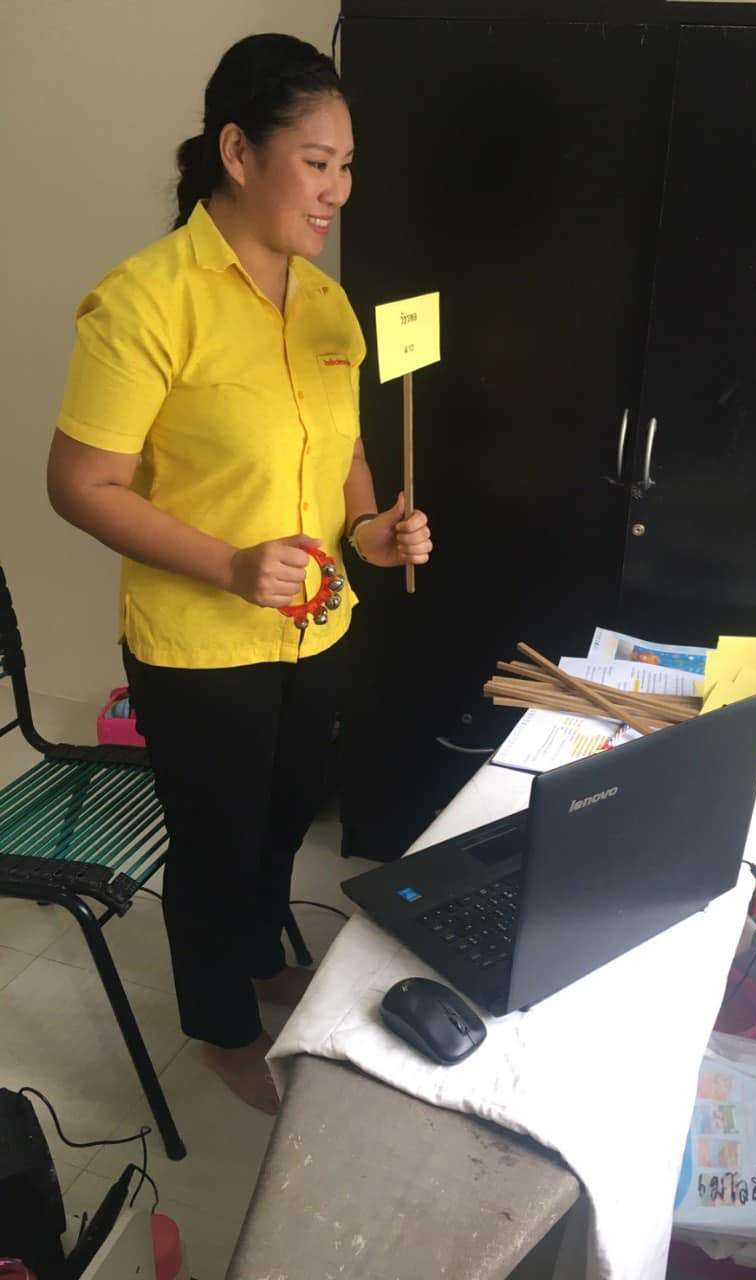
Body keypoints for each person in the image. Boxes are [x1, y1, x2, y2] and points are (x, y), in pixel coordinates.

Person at [47, 33, 431, 1114]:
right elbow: (79, 483)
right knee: (217, 843)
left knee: (284, 817)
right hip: (199, 643)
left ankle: (262, 961)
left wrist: (371, 531)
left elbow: (345, 456)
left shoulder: (327, 305)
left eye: (347, 166)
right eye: (317, 162)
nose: (338, 190)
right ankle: (219, 1027)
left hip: (317, 628)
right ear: (236, 151)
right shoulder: (145, 300)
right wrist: (228, 561)